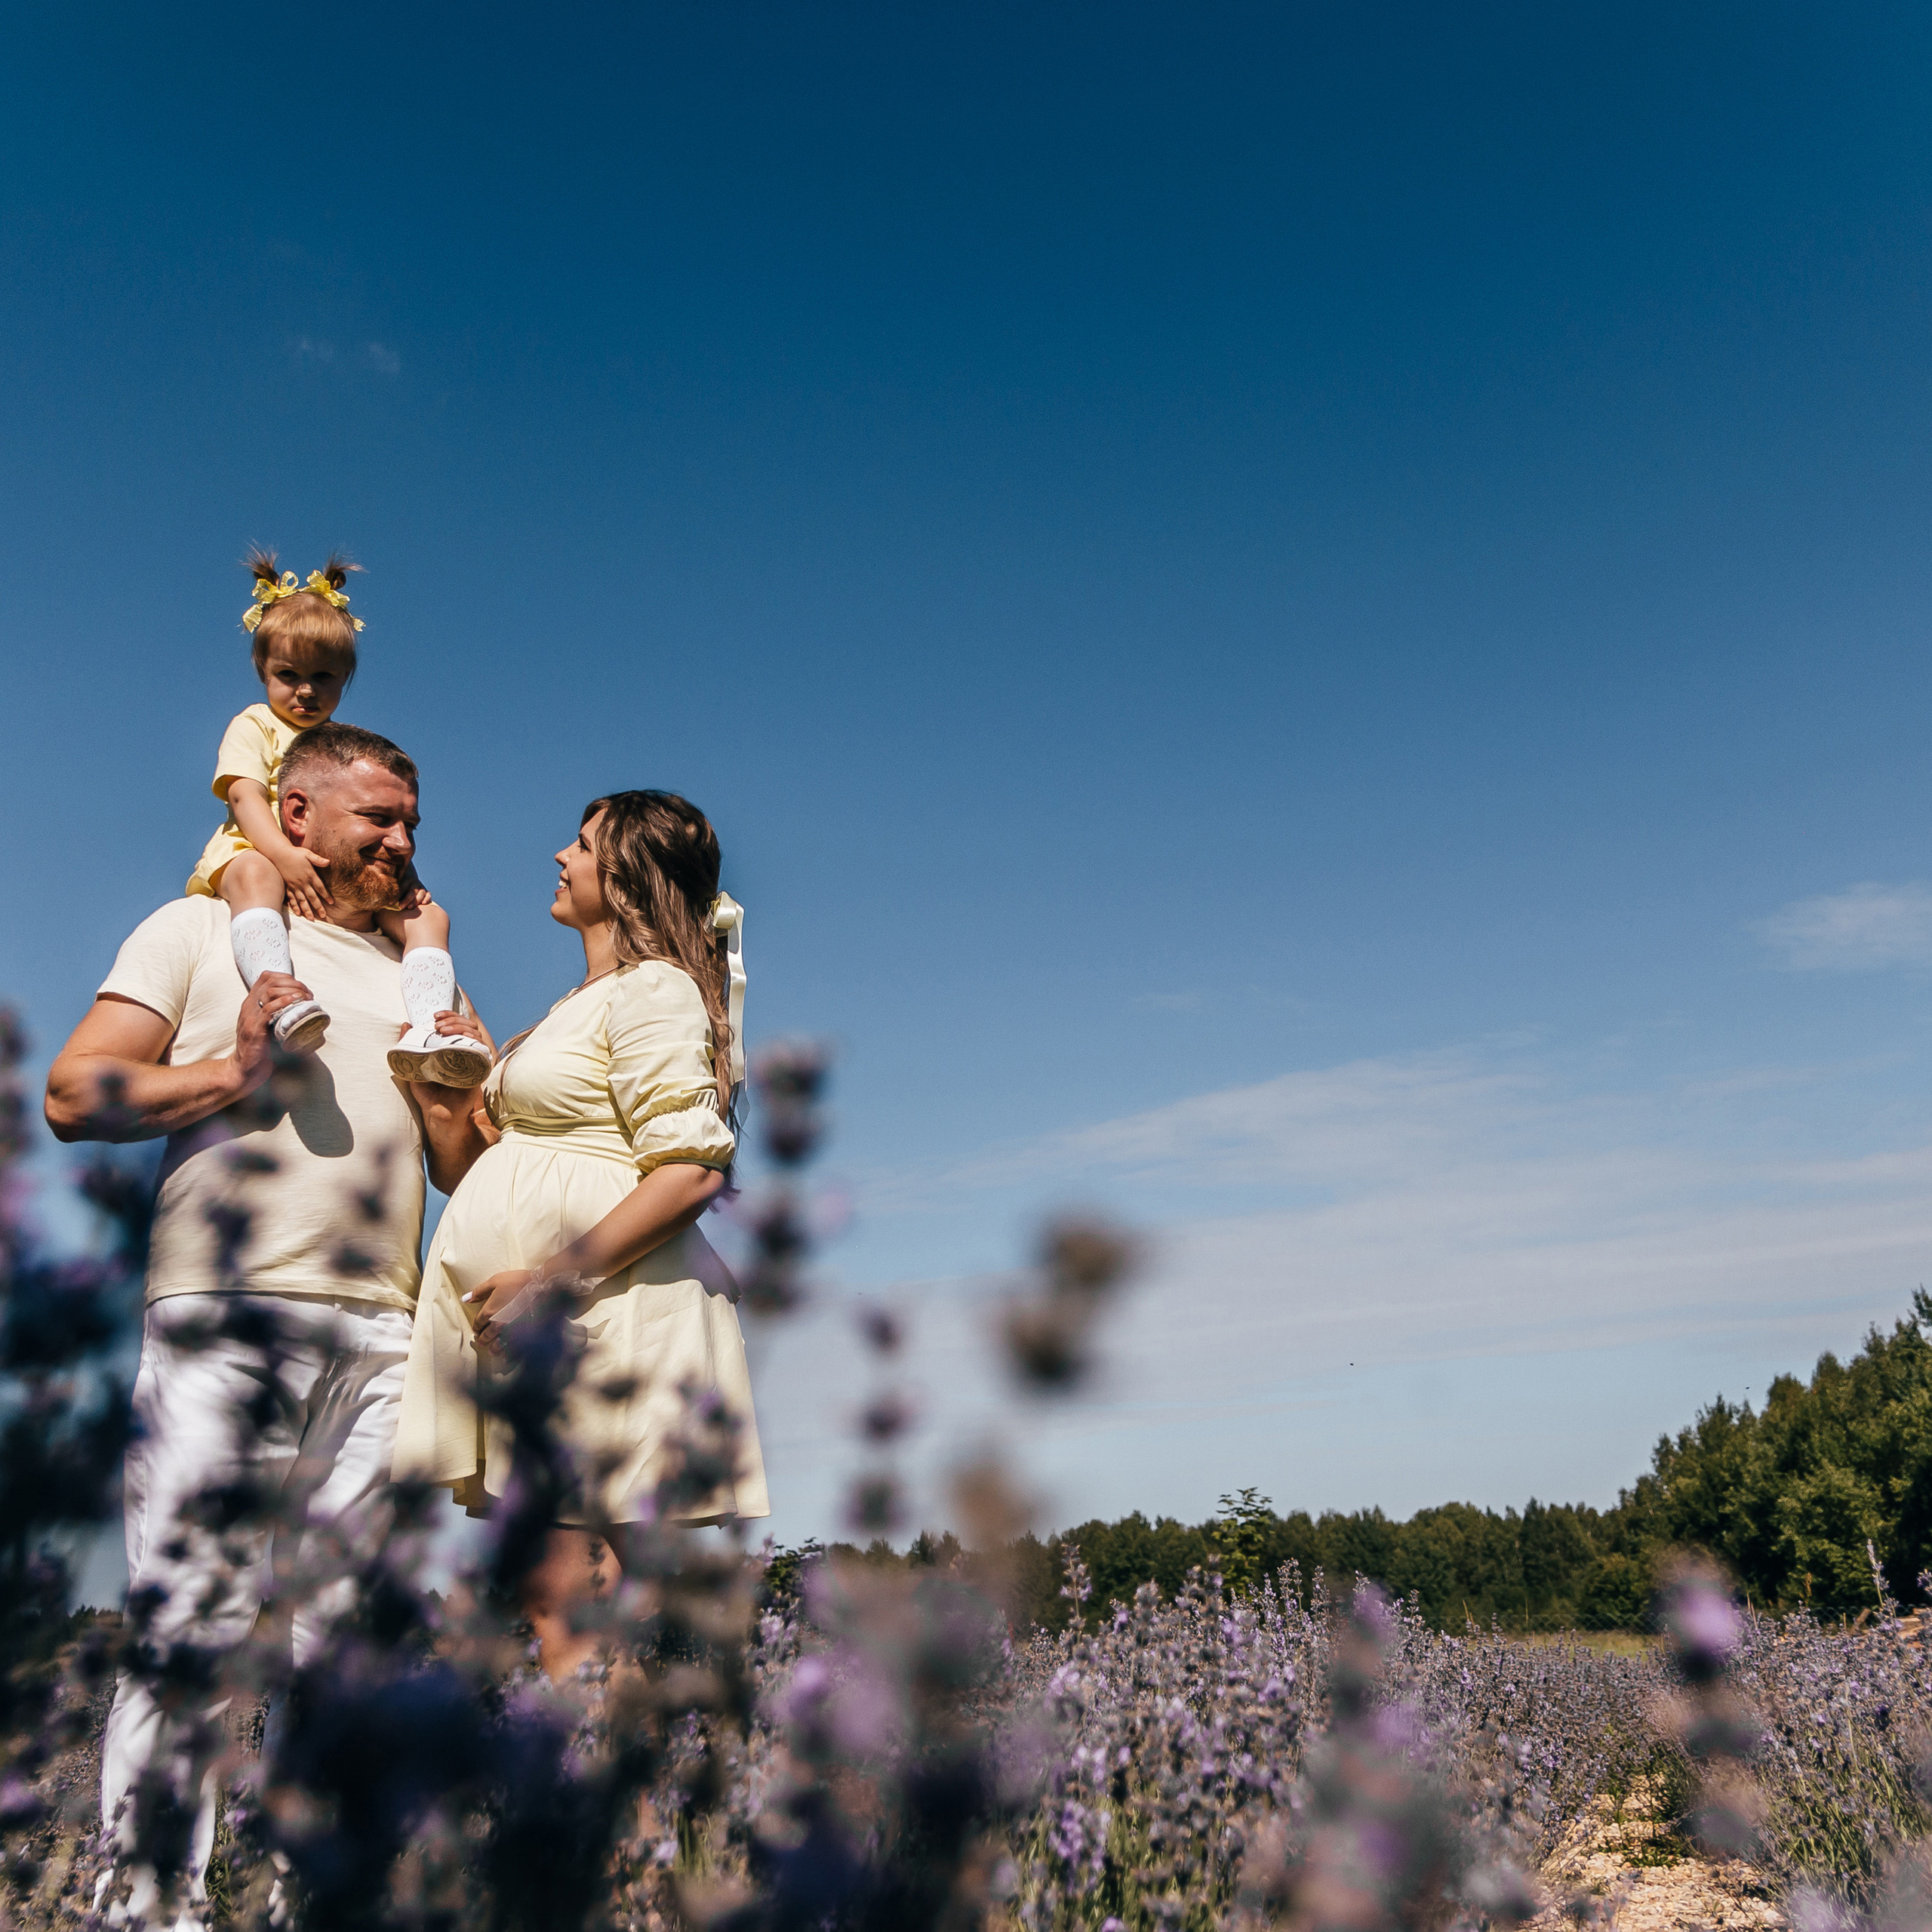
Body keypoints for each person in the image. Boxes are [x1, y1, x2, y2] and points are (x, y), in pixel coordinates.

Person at [45, 722, 490, 1928]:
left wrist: (449, 1083)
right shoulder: (200, 928)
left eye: (412, 823)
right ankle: (147, 1912)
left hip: (388, 1335)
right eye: (378, 819)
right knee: (195, 1627)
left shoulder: (424, 967)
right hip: (225, 1320)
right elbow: (74, 1093)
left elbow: (465, 1160)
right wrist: (227, 1080)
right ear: (296, 816)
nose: (404, 844)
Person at [393, 789, 768, 1678]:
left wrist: (548, 1280)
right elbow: (501, 1160)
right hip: (545, 1327)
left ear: (628, 878)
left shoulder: (657, 988)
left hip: (604, 1312)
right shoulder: (580, 1001)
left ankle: (637, 1810)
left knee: (586, 1612)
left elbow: (690, 1168)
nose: (560, 855)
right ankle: (621, 1809)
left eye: (583, 844)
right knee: (563, 1607)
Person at [189, 549, 488, 1085]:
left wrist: (407, 882)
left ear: (346, 677)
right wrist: (283, 855)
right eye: (288, 675)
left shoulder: (339, 746)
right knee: (255, 878)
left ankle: (429, 1029)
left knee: (430, 919)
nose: (305, 690)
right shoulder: (254, 725)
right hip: (253, 848)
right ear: (262, 670)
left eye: (322, 677)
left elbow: (378, 828)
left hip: (328, 869)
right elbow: (244, 797)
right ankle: (277, 996)